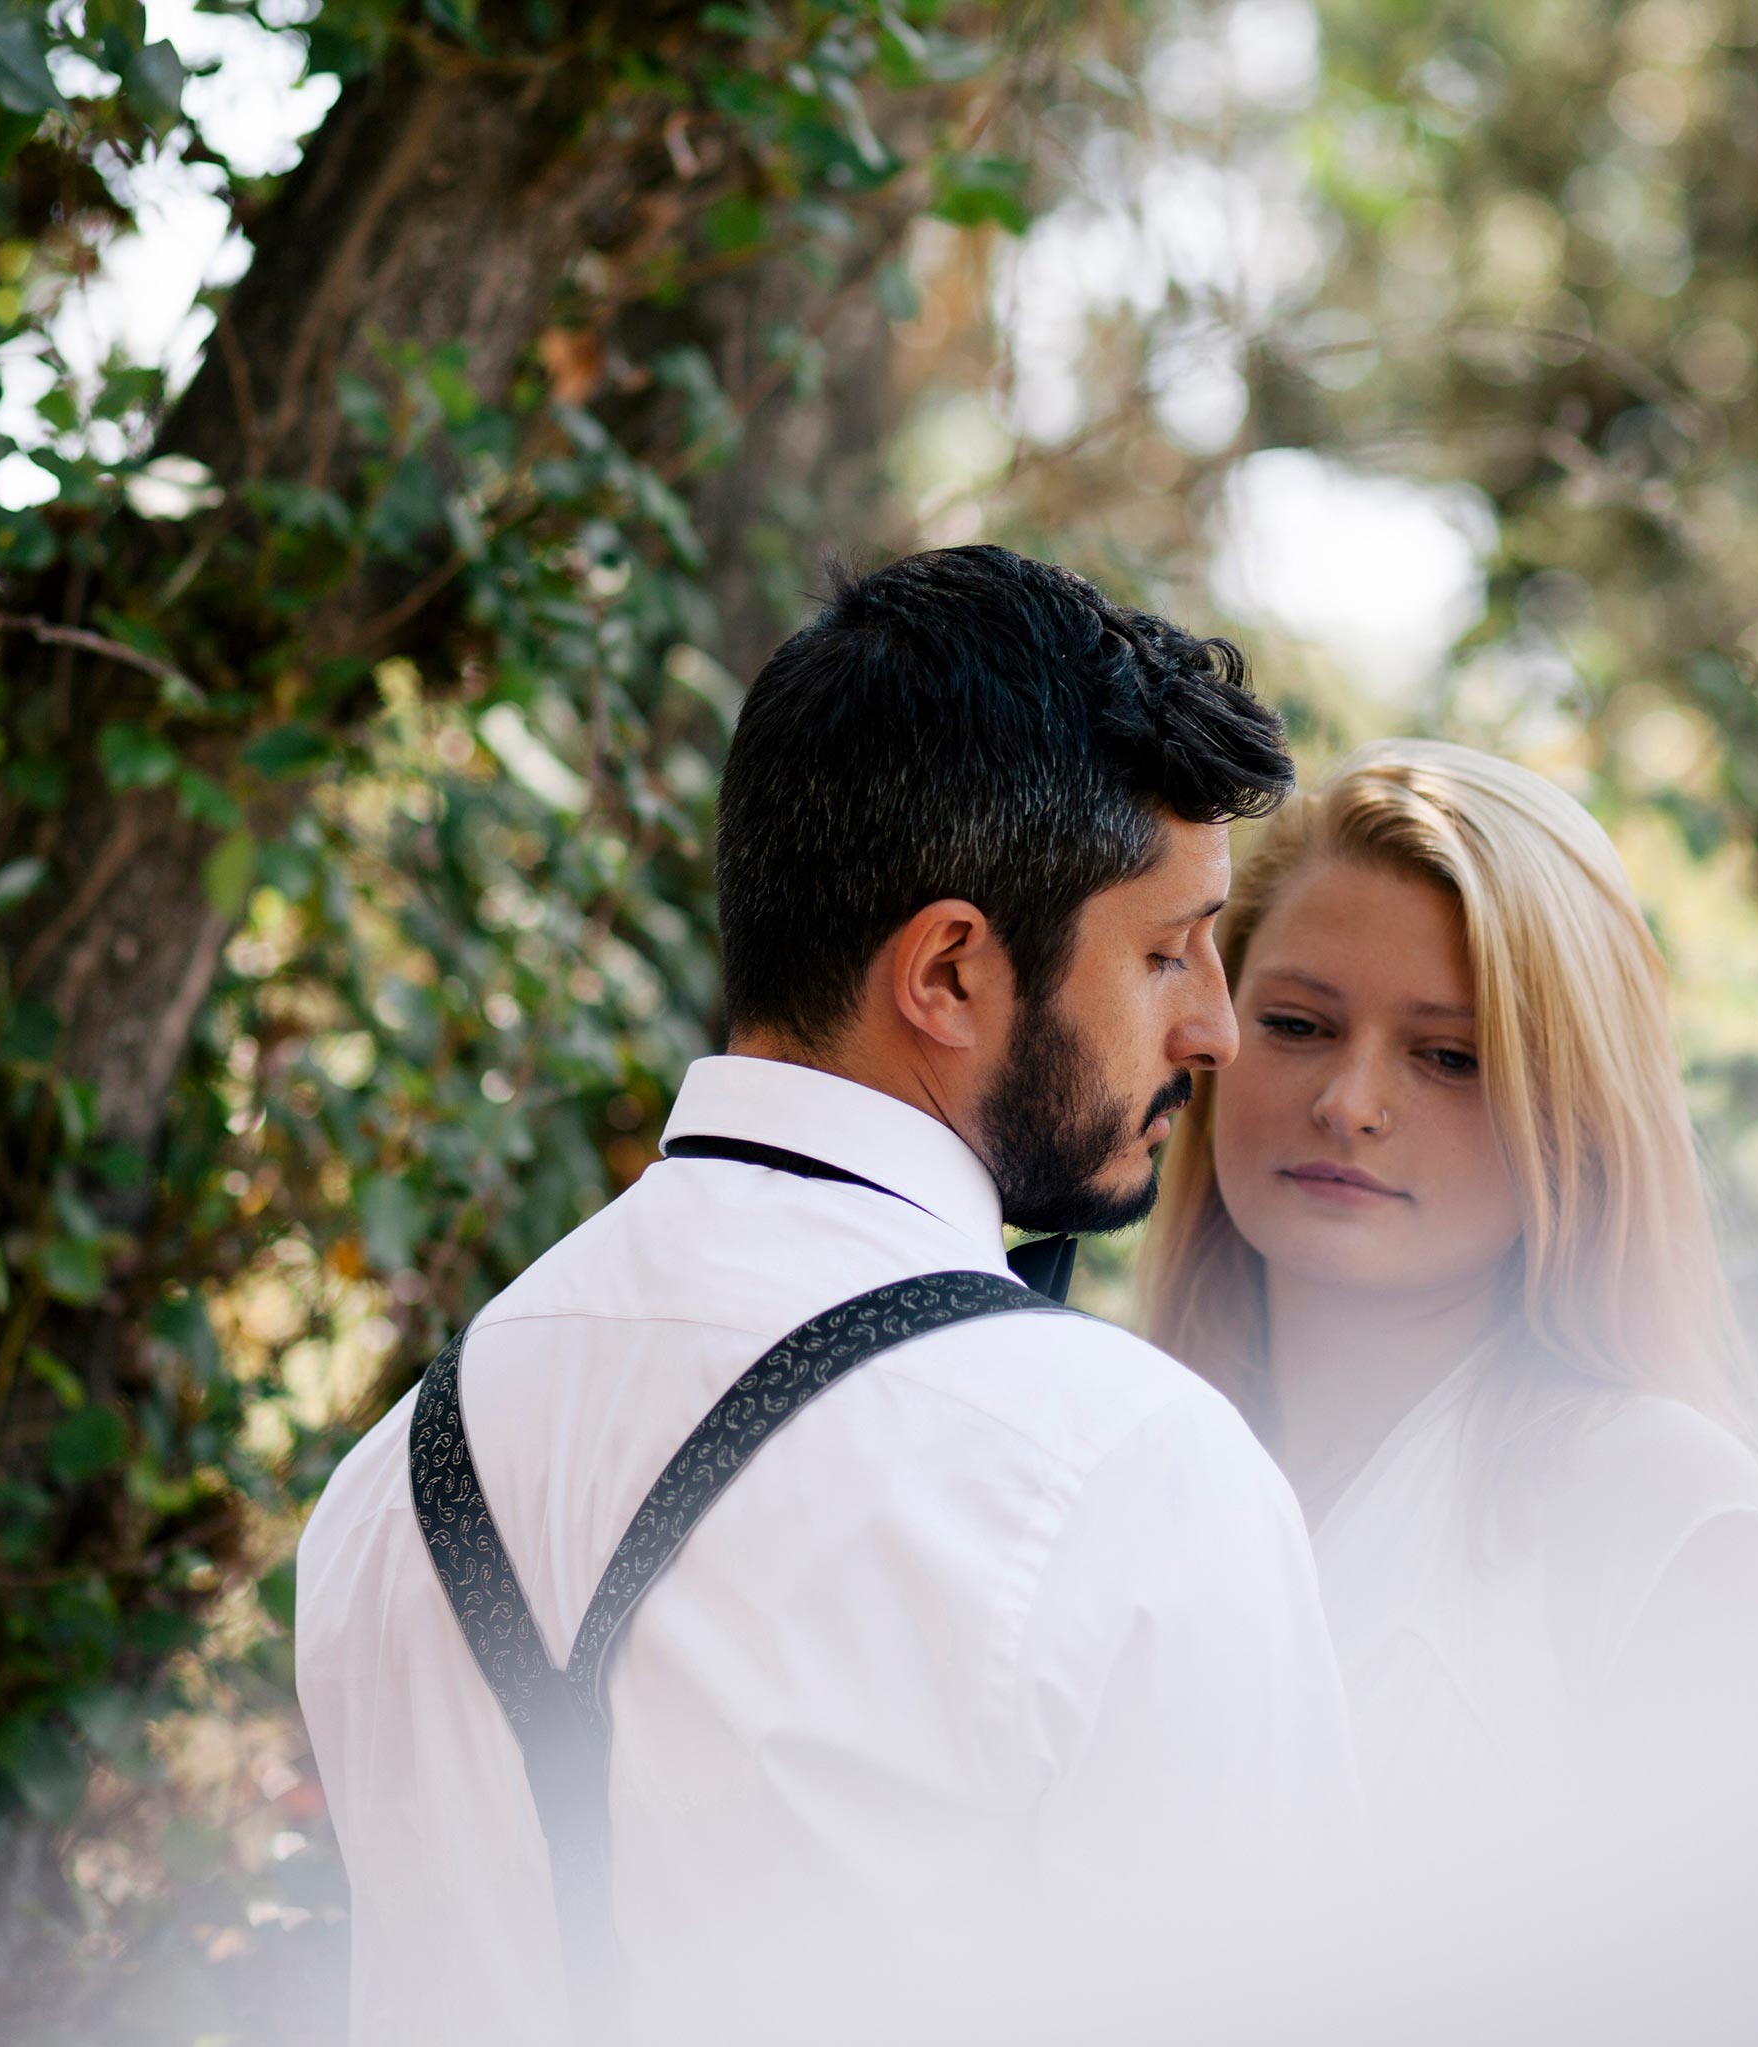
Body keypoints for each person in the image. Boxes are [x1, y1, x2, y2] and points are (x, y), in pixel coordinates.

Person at [294, 546, 1358, 2044]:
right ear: (947, 972)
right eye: (1167, 952)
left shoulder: (388, 1477)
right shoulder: (1124, 1470)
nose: (1216, 1029)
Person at [1138, 738, 1758, 1836]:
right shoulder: (1120, 1464)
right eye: (1299, 1025)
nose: (1349, 1103)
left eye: (1449, 1056)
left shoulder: (1655, 1502)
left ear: (1577, 1117)